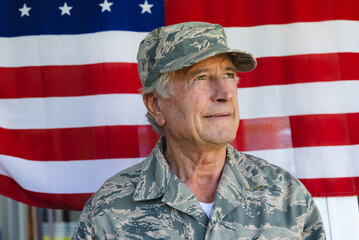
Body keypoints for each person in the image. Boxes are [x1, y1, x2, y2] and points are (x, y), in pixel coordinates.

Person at [72, 22, 326, 239]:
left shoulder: (284, 195)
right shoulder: (109, 208)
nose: (225, 93)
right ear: (156, 104)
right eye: (201, 77)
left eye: (229, 75)